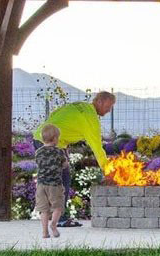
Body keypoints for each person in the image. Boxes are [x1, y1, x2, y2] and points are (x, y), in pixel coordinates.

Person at [33, 91, 116, 227]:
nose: (109, 110)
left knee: (60, 178)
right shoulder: (90, 118)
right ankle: (59, 218)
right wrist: (108, 171)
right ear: (100, 101)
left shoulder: (80, 106)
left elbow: (55, 114)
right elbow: (97, 147)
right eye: (109, 106)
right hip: (49, 143)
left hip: (44, 138)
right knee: (61, 179)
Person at [34, 123, 69, 239]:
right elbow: (65, 165)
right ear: (54, 139)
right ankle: (53, 224)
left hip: (41, 185)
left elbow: (38, 163)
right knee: (57, 207)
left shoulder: (38, 152)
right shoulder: (59, 152)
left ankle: (44, 233)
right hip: (55, 185)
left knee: (44, 210)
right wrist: (65, 163)